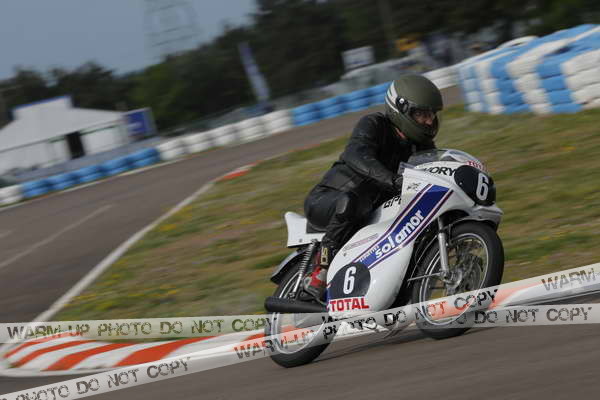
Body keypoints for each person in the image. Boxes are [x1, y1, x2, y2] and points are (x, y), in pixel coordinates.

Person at [302, 74, 444, 300]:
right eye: (422, 114)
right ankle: (321, 270)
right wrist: (393, 180)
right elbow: (356, 154)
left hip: (371, 208)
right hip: (327, 200)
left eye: (431, 115)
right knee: (351, 201)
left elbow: (431, 173)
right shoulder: (374, 124)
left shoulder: (422, 146)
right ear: (401, 109)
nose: (428, 121)